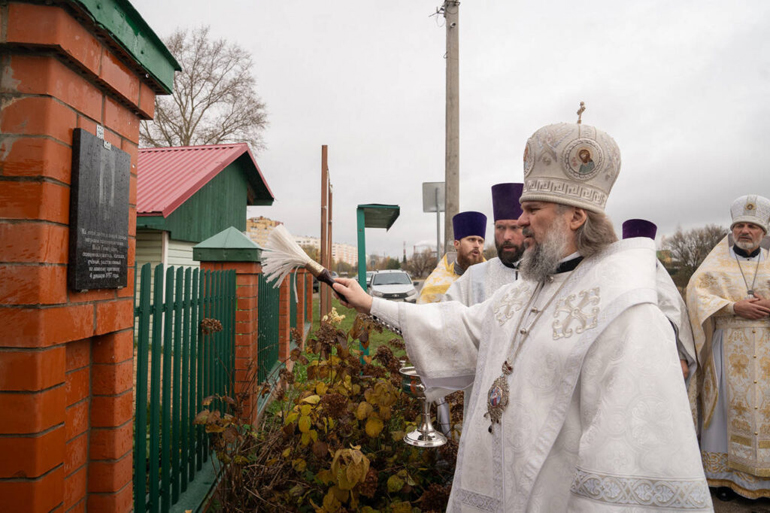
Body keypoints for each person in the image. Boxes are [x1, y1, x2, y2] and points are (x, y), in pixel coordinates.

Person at [335, 119, 710, 511]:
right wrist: (372, 304)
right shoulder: (524, 290)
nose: (523, 220)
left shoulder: (628, 312)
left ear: (576, 216)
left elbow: (629, 464)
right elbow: (462, 327)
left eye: (532, 209)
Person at [686, 194, 770, 501]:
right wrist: (734, 307)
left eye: (752, 226)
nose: (745, 231)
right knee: (724, 410)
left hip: (767, 349)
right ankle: (723, 479)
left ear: (764, 232)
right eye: (739, 225)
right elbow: (696, 295)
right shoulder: (714, 264)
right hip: (727, 348)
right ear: (732, 229)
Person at [622, 218, 697, 383]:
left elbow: (675, 320)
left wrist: (680, 357)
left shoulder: (660, 278)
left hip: (658, 351)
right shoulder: (615, 272)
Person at [445, 183, 525, 305]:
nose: (506, 236)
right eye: (500, 228)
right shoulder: (474, 277)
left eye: (514, 228)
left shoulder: (546, 275)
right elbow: (444, 316)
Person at [417, 211, 486, 304]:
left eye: (480, 241)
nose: (477, 245)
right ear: (456, 244)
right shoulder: (433, 285)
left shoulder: (491, 278)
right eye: (471, 239)